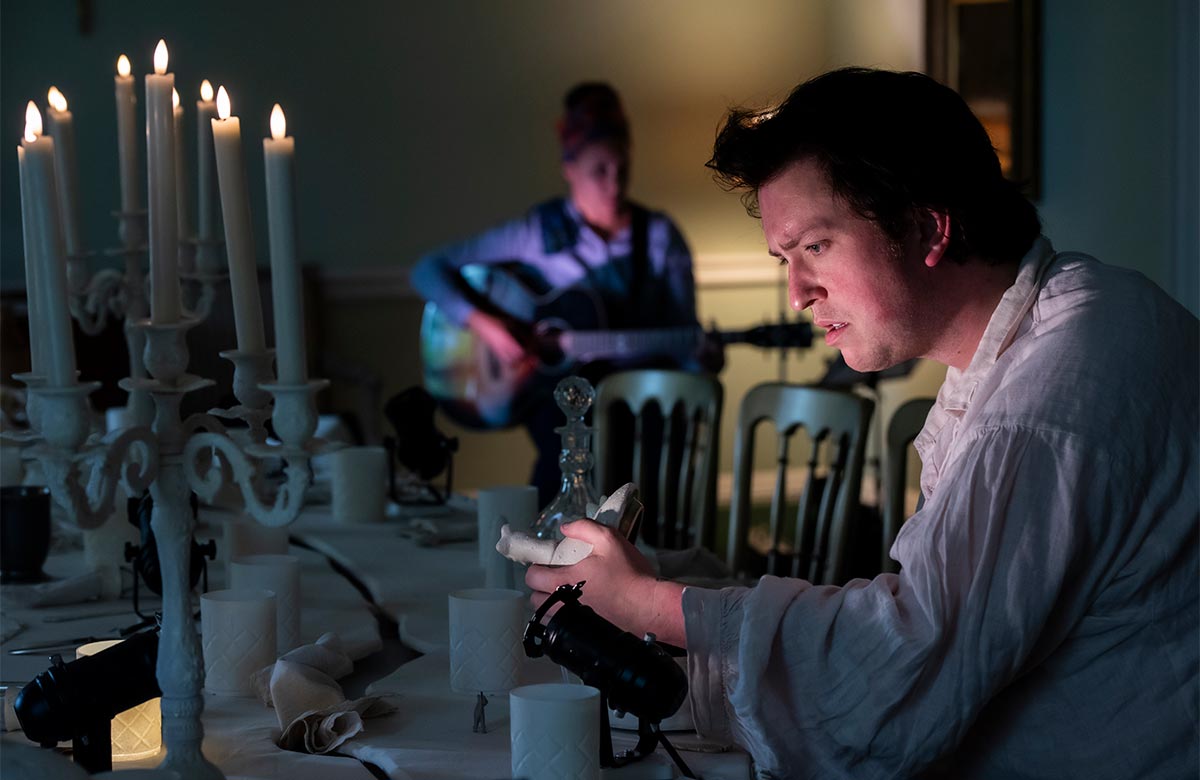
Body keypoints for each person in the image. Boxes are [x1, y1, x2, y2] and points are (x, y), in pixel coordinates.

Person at [527, 68, 1199, 778]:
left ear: (927, 227)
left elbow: (902, 675)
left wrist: (650, 605)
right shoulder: (1056, 324)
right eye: (785, 259)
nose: (796, 294)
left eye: (816, 246)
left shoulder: (1054, 395)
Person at [411, 83, 705, 506]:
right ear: (569, 167)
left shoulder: (659, 236)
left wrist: (700, 357)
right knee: (562, 467)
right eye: (598, 170)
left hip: (640, 410)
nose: (614, 183)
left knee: (648, 478)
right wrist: (490, 328)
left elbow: (685, 335)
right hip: (562, 405)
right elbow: (427, 270)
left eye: (622, 168)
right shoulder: (536, 232)